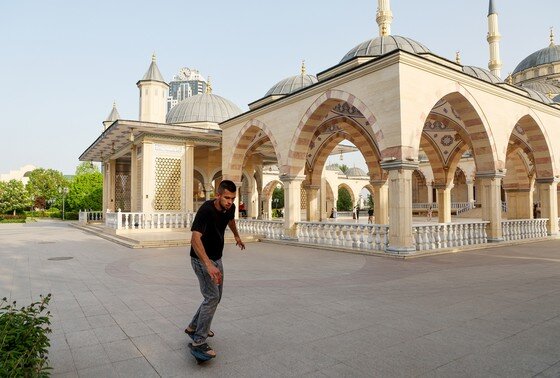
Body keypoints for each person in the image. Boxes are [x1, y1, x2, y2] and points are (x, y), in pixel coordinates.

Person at [185, 180, 245, 360]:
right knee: (211, 297)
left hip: (217, 258)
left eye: (233, 198)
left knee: (215, 297)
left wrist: (236, 235)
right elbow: (195, 239)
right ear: (217, 195)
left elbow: (231, 220)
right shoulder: (206, 210)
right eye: (226, 197)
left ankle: (194, 327)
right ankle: (199, 341)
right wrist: (208, 264)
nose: (230, 201)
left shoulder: (230, 208)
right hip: (201, 259)